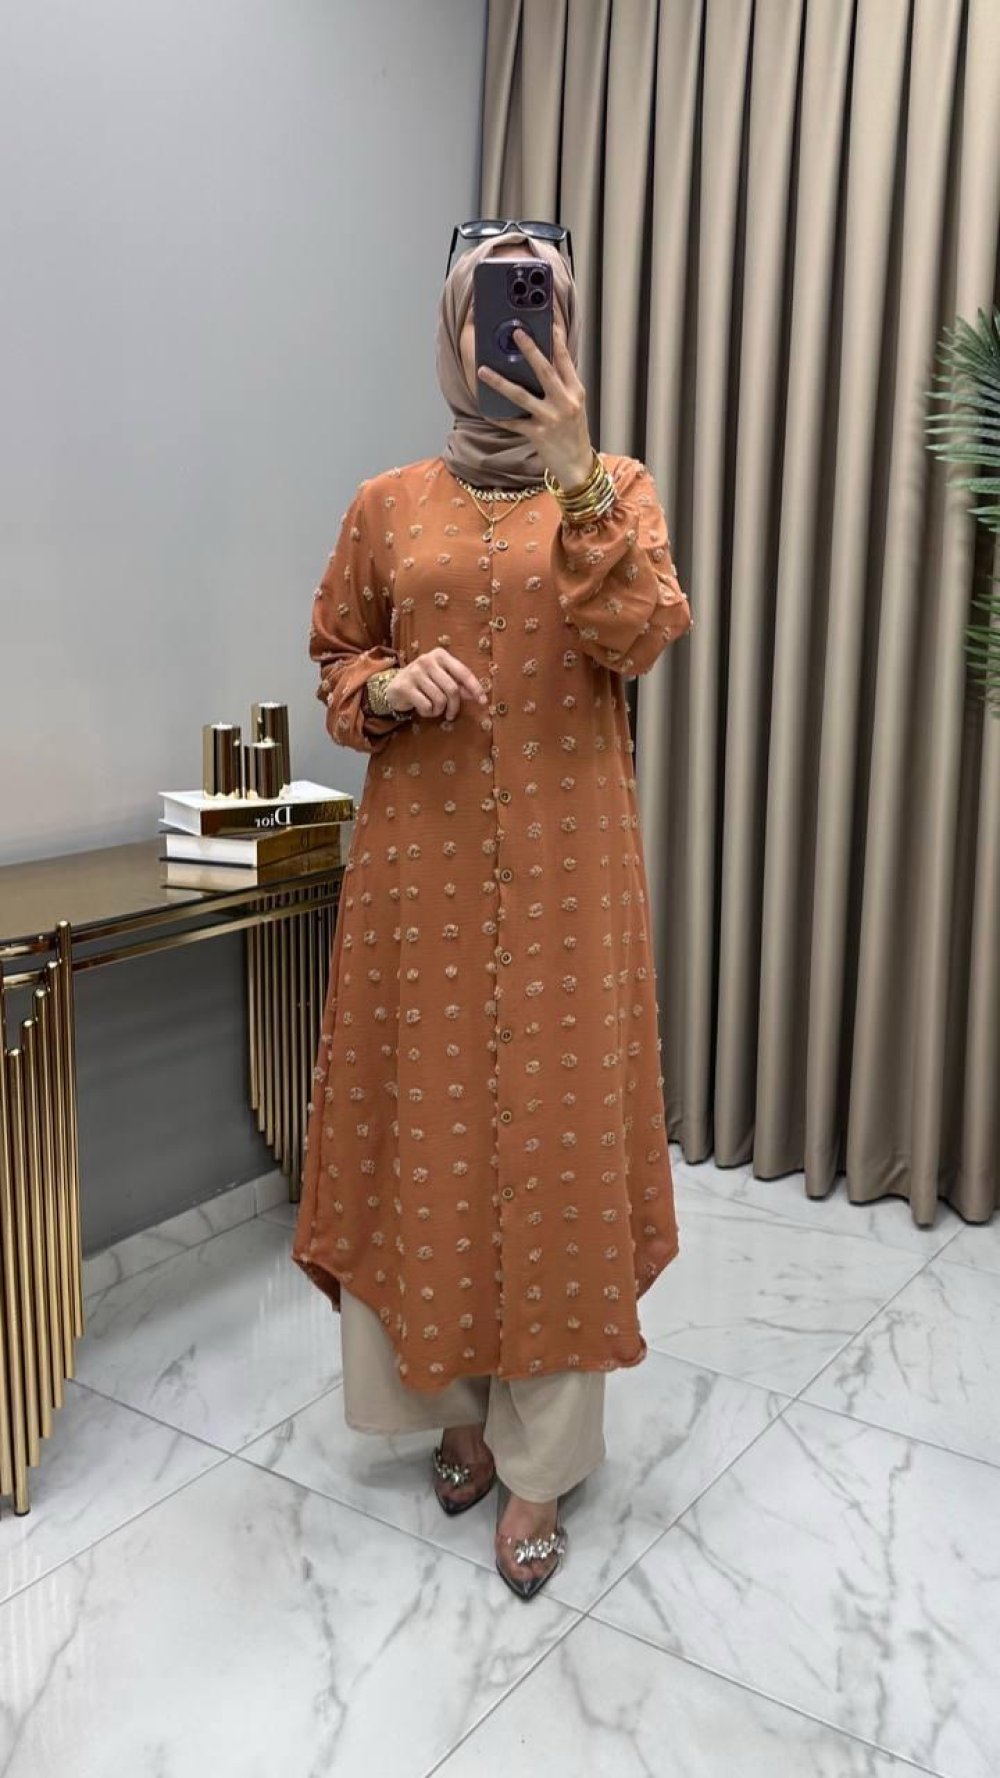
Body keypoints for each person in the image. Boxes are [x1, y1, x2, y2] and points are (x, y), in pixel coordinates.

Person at [291, 221, 693, 1600]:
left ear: (563, 332)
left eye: (536, 309)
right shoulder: (384, 503)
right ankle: (451, 1413)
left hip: (574, 883)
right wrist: (388, 688)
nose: (509, 334)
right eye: (488, 309)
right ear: (453, 332)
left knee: (561, 1155)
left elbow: (642, 633)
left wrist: (578, 473)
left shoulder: (616, 488)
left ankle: (539, 1465)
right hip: (421, 883)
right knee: (431, 1135)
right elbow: (339, 656)